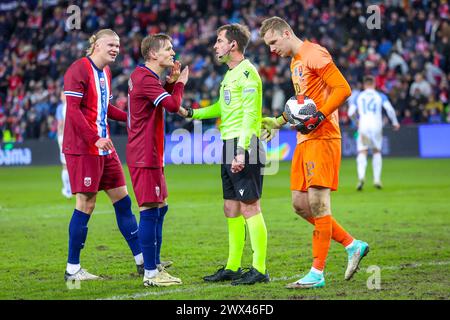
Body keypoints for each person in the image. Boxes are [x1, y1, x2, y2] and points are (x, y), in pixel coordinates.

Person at [259, 17, 369, 289]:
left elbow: (343, 89)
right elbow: (301, 106)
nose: (272, 49)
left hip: (324, 137)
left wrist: (320, 116)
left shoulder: (314, 53)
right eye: (268, 45)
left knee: (319, 204)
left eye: (273, 42)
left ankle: (316, 273)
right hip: (304, 139)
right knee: (299, 204)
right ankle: (352, 244)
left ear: (287, 33)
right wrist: (278, 121)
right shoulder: (295, 62)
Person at [180, 23, 269, 286]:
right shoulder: (230, 75)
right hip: (228, 144)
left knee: (250, 206)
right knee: (230, 207)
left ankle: (260, 268)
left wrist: (241, 151)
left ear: (233, 45)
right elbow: (223, 107)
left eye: (219, 41)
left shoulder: (248, 74)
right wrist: (192, 113)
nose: (215, 45)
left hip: (244, 146)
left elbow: (252, 116)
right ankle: (232, 266)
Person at [62, 29, 143, 281]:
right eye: (111, 44)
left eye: (118, 45)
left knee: (123, 200)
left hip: (104, 148)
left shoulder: (106, 72)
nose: (116, 49)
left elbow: (104, 107)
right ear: (95, 45)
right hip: (84, 149)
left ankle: (143, 261)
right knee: (86, 204)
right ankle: (72, 269)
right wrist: (94, 138)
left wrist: (131, 118)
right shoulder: (78, 70)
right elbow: (73, 111)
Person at [127, 33, 188, 287]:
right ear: (153, 54)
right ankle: (151, 273)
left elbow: (159, 102)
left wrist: (170, 83)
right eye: (168, 49)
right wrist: (180, 83)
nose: (173, 52)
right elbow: (173, 106)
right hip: (144, 155)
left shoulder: (146, 77)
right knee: (150, 210)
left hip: (150, 153)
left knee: (160, 207)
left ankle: (155, 263)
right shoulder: (145, 78)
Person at [348, 76, 400, 190]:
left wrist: (356, 122)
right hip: (376, 125)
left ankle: (361, 177)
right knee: (376, 151)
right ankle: (377, 179)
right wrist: (395, 122)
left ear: (364, 85)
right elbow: (390, 110)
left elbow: (350, 112)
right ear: (374, 84)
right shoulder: (380, 96)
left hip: (364, 125)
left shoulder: (359, 96)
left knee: (362, 151)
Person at [55, 91, 72, 199]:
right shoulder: (73, 106)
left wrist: (60, 137)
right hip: (73, 139)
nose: (61, 96)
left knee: (65, 165)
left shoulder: (62, 107)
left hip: (65, 138)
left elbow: (60, 124)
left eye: (62, 94)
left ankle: (68, 190)